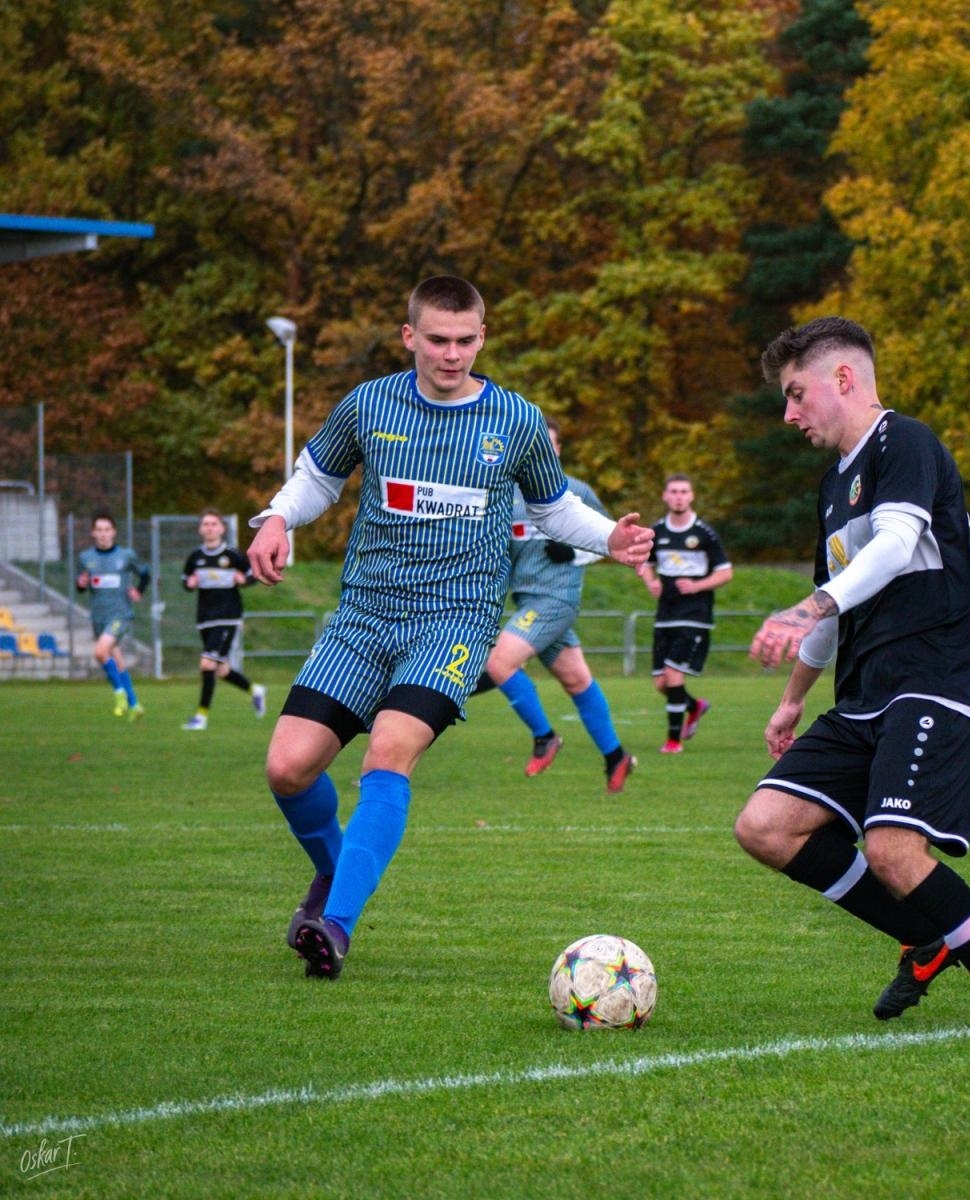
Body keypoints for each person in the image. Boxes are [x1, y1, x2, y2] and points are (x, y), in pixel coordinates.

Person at [247, 276, 653, 981]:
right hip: (363, 616)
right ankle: (335, 876)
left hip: (455, 622)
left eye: (466, 340)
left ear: (482, 338)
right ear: (410, 337)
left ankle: (334, 926)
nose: (452, 353)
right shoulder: (369, 404)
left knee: (388, 752)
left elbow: (554, 509)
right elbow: (318, 477)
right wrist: (278, 518)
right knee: (287, 768)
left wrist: (608, 538)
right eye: (437, 339)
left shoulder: (516, 420)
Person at [735, 317, 970, 1034]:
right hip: (864, 699)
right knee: (766, 826)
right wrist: (792, 700)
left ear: (844, 380)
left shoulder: (904, 443)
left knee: (891, 848)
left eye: (796, 394)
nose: (789, 414)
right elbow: (833, 616)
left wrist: (812, 600)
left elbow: (894, 546)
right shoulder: (833, 485)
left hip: (936, 685)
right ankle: (922, 936)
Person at [472, 420, 636, 792]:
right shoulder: (506, 495)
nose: (539, 453)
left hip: (556, 599)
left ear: (558, 451)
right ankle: (616, 756)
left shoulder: (576, 492)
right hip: (528, 600)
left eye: (547, 446)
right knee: (576, 679)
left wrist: (575, 551)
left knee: (499, 662)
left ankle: (545, 737)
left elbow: (613, 541)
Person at [637, 474, 732, 754]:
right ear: (665, 496)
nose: (678, 496)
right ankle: (695, 706)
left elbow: (726, 573)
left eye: (684, 491)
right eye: (674, 491)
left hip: (695, 615)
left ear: (691, 496)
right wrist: (651, 581)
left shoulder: (704, 533)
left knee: (673, 674)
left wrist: (697, 585)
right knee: (661, 682)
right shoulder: (657, 531)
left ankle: (673, 741)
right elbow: (643, 562)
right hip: (665, 614)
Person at [180, 508, 268, 730]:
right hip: (205, 618)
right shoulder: (195, 557)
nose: (210, 528)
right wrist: (189, 584)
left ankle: (200, 717)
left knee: (207, 663)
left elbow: (252, 575)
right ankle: (254, 690)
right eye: (206, 524)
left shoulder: (232, 555)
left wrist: (243, 580)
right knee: (220, 669)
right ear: (200, 529)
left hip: (228, 616)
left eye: (213, 524)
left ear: (222, 528)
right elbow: (186, 581)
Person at [75, 512, 150, 721]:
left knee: (100, 652)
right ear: (93, 533)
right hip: (99, 616)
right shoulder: (86, 558)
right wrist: (80, 584)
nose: (103, 534)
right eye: (99, 530)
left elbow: (145, 573)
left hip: (120, 614)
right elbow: (81, 585)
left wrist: (139, 591)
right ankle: (135, 705)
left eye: (107, 530)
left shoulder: (126, 556)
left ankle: (120, 696)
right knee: (117, 661)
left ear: (114, 532)